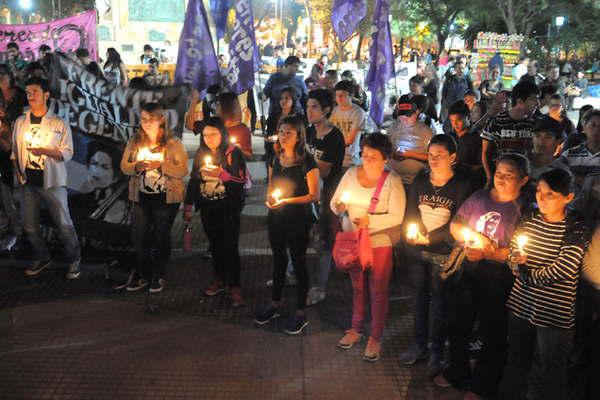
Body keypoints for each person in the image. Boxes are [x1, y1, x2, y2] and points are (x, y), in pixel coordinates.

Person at [434, 154, 531, 399]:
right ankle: (458, 370)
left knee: (493, 333)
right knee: (458, 324)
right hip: (469, 273)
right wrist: (472, 240)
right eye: (499, 173)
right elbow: (457, 225)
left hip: (500, 280)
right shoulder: (479, 197)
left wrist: (491, 251)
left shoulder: (525, 209)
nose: (501, 178)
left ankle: (483, 385)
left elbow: (523, 251)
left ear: (523, 180)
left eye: (509, 175)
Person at [499, 168, 590, 400]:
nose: (541, 198)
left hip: (554, 311)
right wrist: (515, 262)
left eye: (550, 194)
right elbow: (512, 251)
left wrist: (527, 275)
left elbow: (565, 267)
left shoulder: (575, 226)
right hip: (522, 304)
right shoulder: (531, 217)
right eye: (539, 191)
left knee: (550, 368)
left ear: (568, 197)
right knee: (517, 359)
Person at [400, 134, 471, 374]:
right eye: (430, 155)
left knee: (440, 302)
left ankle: (437, 351)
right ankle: (418, 344)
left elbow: (458, 221)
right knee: (418, 298)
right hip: (417, 251)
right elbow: (411, 212)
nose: (433, 160)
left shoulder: (461, 185)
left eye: (439, 156)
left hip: (443, 253)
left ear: (452, 157)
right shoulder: (420, 182)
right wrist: (414, 235)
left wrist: (431, 238)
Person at [331, 132, 405, 361]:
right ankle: (355, 328)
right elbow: (335, 202)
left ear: (386, 159)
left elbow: (397, 215)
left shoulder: (392, 180)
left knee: (378, 289)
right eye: (365, 155)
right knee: (358, 287)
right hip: (354, 240)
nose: (367, 160)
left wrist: (370, 222)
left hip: (379, 241)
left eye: (374, 157)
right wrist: (339, 206)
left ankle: (375, 336)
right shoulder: (352, 174)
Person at [255, 115, 319, 335]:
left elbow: (313, 194)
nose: (283, 136)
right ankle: (275, 303)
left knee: (298, 262)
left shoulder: (307, 162)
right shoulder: (276, 157)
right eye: (281, 132)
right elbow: (271, 184)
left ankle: (300, 312)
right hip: (277, 217)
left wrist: (287, 201)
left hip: (298, 219)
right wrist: (270, 200)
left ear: (299, 135)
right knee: (278, 259)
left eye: (288, 132)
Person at [11, 77, 81, 279]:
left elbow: (67, 152)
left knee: (63, 223)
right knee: (29, 225)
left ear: (46, 95)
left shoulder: (58, 123)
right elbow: (15, 151)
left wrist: (46, 151)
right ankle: (42, 256)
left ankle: (74, 258)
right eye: (27, 92)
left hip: (52, 182)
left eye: (34, 91)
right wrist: (17, 170)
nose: (30, 95)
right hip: (27, 182)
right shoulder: (21, 121)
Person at [120, 103, 189, 293]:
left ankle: (158, 274)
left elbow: (182, 170)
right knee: (139, 236)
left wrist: (161, 166)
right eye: (143, 119)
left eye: (151, 119)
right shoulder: (135, 141)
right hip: (141, 196)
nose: (146, 123)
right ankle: (143, 273)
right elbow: (124, 165)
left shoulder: (173, 143)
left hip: (165, 198)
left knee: (161, 235)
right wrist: (136, 166)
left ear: (161, 120)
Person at [183, 117, 246, 306]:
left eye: (213, 134)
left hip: (228, 208)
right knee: (215, 245)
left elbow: (240, 181)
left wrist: (222, 175)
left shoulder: (232, 153)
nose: (209, 138)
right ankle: (219, 278)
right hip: (207, 207)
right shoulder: (202, 153)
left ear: (222, 134)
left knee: (230, 246)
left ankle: (234, 285)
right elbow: (194, 180)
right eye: (205, 135)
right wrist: (188, 206)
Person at [304, 88, 345, 306]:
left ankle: (319, 287)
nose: (309, 111)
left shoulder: (334, 137)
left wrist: (303, 164)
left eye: (314, 107)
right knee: (299, 235)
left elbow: (325, 171)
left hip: (325, 197)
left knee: (323, 242)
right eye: (308, 106)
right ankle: (293, 273)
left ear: (326, 110)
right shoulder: (308, 132)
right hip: (305, 194)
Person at [481, 80, 540, 187]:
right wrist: (489, 178)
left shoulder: (536, 124)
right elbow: (485, 153)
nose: (537, 103)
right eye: (533, 99)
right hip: (503, 178)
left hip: (526, 180)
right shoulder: (496, 121)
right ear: (520, 101)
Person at [387, 98, 433, 185]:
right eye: (402, 117)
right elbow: (386, 148)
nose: (404, 119)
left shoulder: (426, 132)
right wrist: (393, 154)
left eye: (408, 116)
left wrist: (410, 154)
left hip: (414, 181)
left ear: (416, 113)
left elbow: (431, 156)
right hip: (393, 178)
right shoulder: (393, 127)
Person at [552, 109, 600, 187]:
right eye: (593, 125)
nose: (597, 130)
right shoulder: (569, 155)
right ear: (584, 128)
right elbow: (556, 173)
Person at [447, 100, 484, 189]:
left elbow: (483, 167)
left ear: (468, 117)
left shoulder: (478, 139)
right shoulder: (450, 137)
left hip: (469, 184)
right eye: (452, 120)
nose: (455, 124)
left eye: (458, 120)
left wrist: (464, 167)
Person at [329, 80, 366, 169]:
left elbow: (350, 140)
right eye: (337, 95)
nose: (339, 98)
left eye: (342, 95)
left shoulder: (358, 112)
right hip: (332, 159)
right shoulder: (333, 111)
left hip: (349, 161)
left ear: (351, 95)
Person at [216, 92, 253, 161]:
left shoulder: (242, 130)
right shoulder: (214, 127)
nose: (216, 108)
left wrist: (237, 150)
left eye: (218, 105)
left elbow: (249, 156)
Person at [529, 116, 564, 182]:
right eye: (537, 136)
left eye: (548, 137)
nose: (541, 141)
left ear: (557, 141)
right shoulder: (520, 164)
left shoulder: (561, 171)